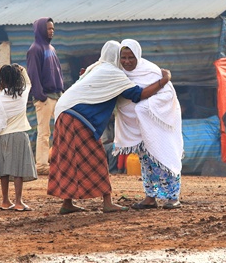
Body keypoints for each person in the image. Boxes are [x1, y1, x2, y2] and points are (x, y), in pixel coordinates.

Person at [48, 40, 171, 215]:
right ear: (116, 57)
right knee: (97, 157)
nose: (125, 61)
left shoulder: (95, 68)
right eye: (122, 57)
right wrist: (163, 80)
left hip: (63, 114)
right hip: (78, 117)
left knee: (68, 158)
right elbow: (139, 94)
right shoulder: (112, 73)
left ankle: (67, 203)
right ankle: (107, 202)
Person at [115, 39, 184, 209]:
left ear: (138, 56)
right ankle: (150, 197)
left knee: (166, 156)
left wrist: (145, 108)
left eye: (131, 57)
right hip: (142, 128)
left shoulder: (150, 71)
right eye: (123, 57)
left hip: (160, 124)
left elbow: (168, 94)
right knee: (146, 161)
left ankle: (172, 197)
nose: (127, 61)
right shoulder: (118, 73)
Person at [0, 64, 37, 211]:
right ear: (17, 79)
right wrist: (23, 70)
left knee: (4, 170)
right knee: (18, 170)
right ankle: (19, 202)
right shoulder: (22, 94)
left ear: (1, 80)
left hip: (2, 137)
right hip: (19, 135)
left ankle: (5, 201)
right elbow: (29, 83)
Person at [26, 17, 64, 175]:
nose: (52, 31)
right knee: (44, 132)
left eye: (53, 28)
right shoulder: (35, 49)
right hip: (46, 97)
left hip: (57, 95)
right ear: (41, 29)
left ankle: (59, 161)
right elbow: (33, 74)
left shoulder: (51, 48)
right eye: (49, 28)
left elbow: (58, 72)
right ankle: (41, 165)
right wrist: (40, 96)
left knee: (62, 130)